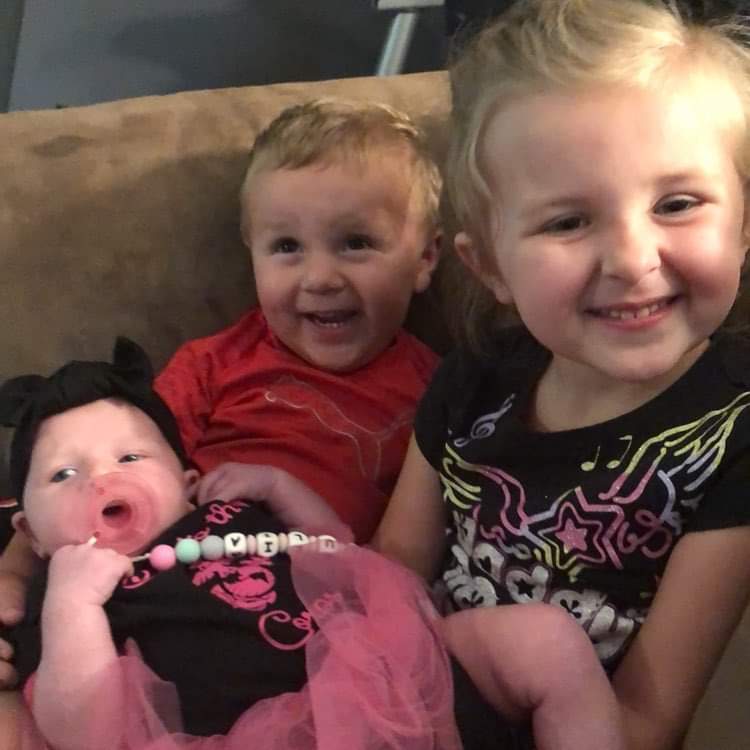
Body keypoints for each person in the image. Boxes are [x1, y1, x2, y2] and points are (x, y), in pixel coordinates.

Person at [372, 1, 750, 749]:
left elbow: (645, 722)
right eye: (568, 222)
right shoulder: (473, 378)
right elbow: (392, 574)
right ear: (490, 266)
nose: (632, 259)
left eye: (677, 204)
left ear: (743, 225)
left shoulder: (735, 435)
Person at [0, 97, 443, 689]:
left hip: (311, 617)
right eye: (286, 247)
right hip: (161, 592)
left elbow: (403, 559)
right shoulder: (214, 363)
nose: (319, 278)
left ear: (425, 257)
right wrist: (13, 574)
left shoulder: (441, 393)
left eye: (356, 242)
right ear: (251, 252)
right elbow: (95, 473)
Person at [1, 339, 623, 750]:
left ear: (188, 484)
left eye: (131, 457)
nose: (102, 479)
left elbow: (339, 553)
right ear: (28, 531)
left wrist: (281, 487)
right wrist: (73, 605)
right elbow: (83, 732)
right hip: (267, 731)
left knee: (545, 639)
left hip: (404, 673)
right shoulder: (62, 602)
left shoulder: (227, 516)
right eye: (63, 475)